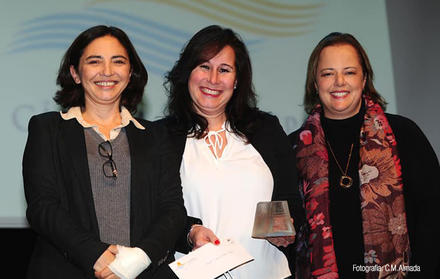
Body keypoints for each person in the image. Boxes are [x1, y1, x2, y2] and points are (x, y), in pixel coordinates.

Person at [22, 25, 186, 279]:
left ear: (130, 73)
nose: (107, 72)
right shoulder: (47, 129)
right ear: (76, 73)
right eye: (94, 61)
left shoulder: (156, 135)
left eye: (118, 62)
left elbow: (172, 209)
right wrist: (96, 256)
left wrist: (138, 259)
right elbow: (42, 207)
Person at [289, 32, 440, 279]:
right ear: (315, 83)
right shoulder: (294, 147)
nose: (339, 82)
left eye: (349, 72)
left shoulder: (404, 134)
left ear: (364, 78)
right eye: (328, 73)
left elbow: (433, 217)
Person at [161, 25, 305, 279]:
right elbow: (156, 213)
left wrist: (286, 226)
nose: (213, 79)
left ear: (237, 80)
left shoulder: (265, 130)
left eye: (224, 70)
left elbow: (292, 201)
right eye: (204, 66)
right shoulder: (162, 137)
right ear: (188, 73)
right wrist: (190, 231)